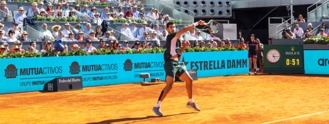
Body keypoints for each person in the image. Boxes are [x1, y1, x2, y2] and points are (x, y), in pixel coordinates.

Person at [153, 20, 207, 116]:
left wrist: (184, 47)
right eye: (170, 27)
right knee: (169, 85)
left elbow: (177, 54)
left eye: (174, 27)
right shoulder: (171, 36)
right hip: (170, 63)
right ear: (167, 29)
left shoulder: (177, 40)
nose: (173, 28)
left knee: (189, 80)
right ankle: (157, 106)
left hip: (177, 63)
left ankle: (190, 101)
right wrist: (197, 23)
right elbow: (185, 29)